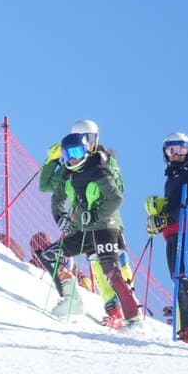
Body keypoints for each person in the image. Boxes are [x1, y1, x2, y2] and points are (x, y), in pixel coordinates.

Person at [37, 132, 143, 327]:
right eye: (68, 155)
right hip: (84, 231)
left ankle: (134, 318)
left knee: (110, 270)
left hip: (104, 227)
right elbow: (56, 198)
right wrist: (60, 218)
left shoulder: (97, 167)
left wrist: (95, 215)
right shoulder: (68, 173)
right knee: (50, 255)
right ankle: (71, 300)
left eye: (77, 152)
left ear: (86, 149)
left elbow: (116, 197)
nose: (74, 158)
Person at [146, 132, 188, 345]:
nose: (177, 153)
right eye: (171, 150)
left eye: (181, 148)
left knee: (180, 275)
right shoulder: (174, 174)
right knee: (178, 277)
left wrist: (166, 217)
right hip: (174, 230)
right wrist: (159, 217)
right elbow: (176, 205)